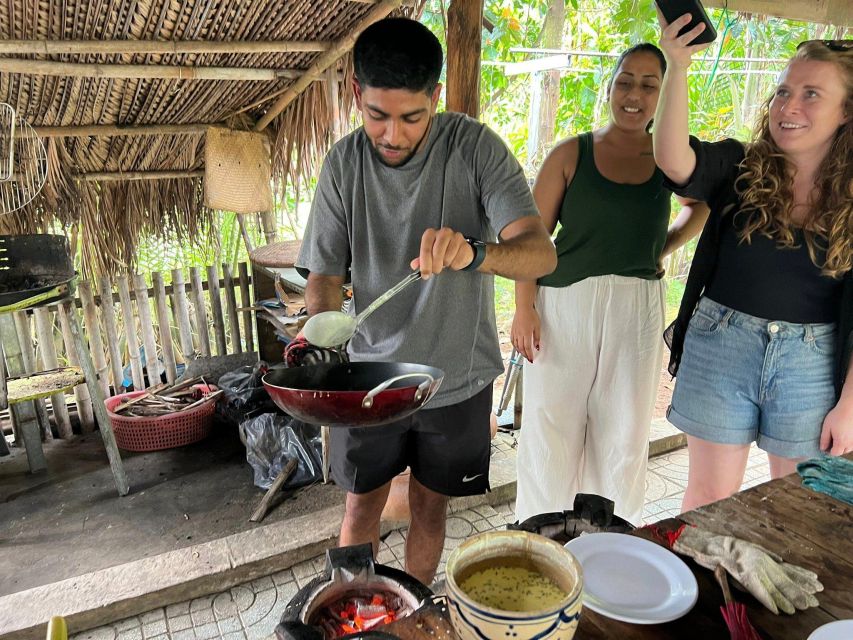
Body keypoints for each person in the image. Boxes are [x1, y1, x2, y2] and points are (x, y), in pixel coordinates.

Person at [296, 17, 556, 585]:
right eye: (377, 116)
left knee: (429, 508)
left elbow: (539, 254)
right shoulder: (343, 165)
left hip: (454, 378)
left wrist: (473, 252)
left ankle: (411, 609)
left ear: (435, 98)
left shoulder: (474, 148)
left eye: (412, 118)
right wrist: (320, 329)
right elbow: (323, 275)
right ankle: (357, 607)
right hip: (365, 380)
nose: (393, 135)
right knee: (361, 506)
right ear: (355, 93)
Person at [654, 13, 853, 511]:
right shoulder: (741, 167)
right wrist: (677, 66)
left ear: (847, 111)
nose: (789, 106)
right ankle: (704, 590)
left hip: (813, 361)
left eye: (812, 94)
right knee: (709, 501)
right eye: (785, 91)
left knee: (804, 508)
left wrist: (850, 404)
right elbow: (674, 160)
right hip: (723, 342)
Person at [512, 43, 709, 526]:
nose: (634, 94)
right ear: (609, 86)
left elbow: (700, 204)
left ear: (663, 96)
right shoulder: (571, 154)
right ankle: (539, 543)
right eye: (626, 80)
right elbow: (528, 237)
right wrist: (523, 308)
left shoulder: (671, 158)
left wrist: (658, 248)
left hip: (635, 313)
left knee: (623, 433)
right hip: (562, 308)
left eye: (649, 85)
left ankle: (609, 549)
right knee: (550, 428)